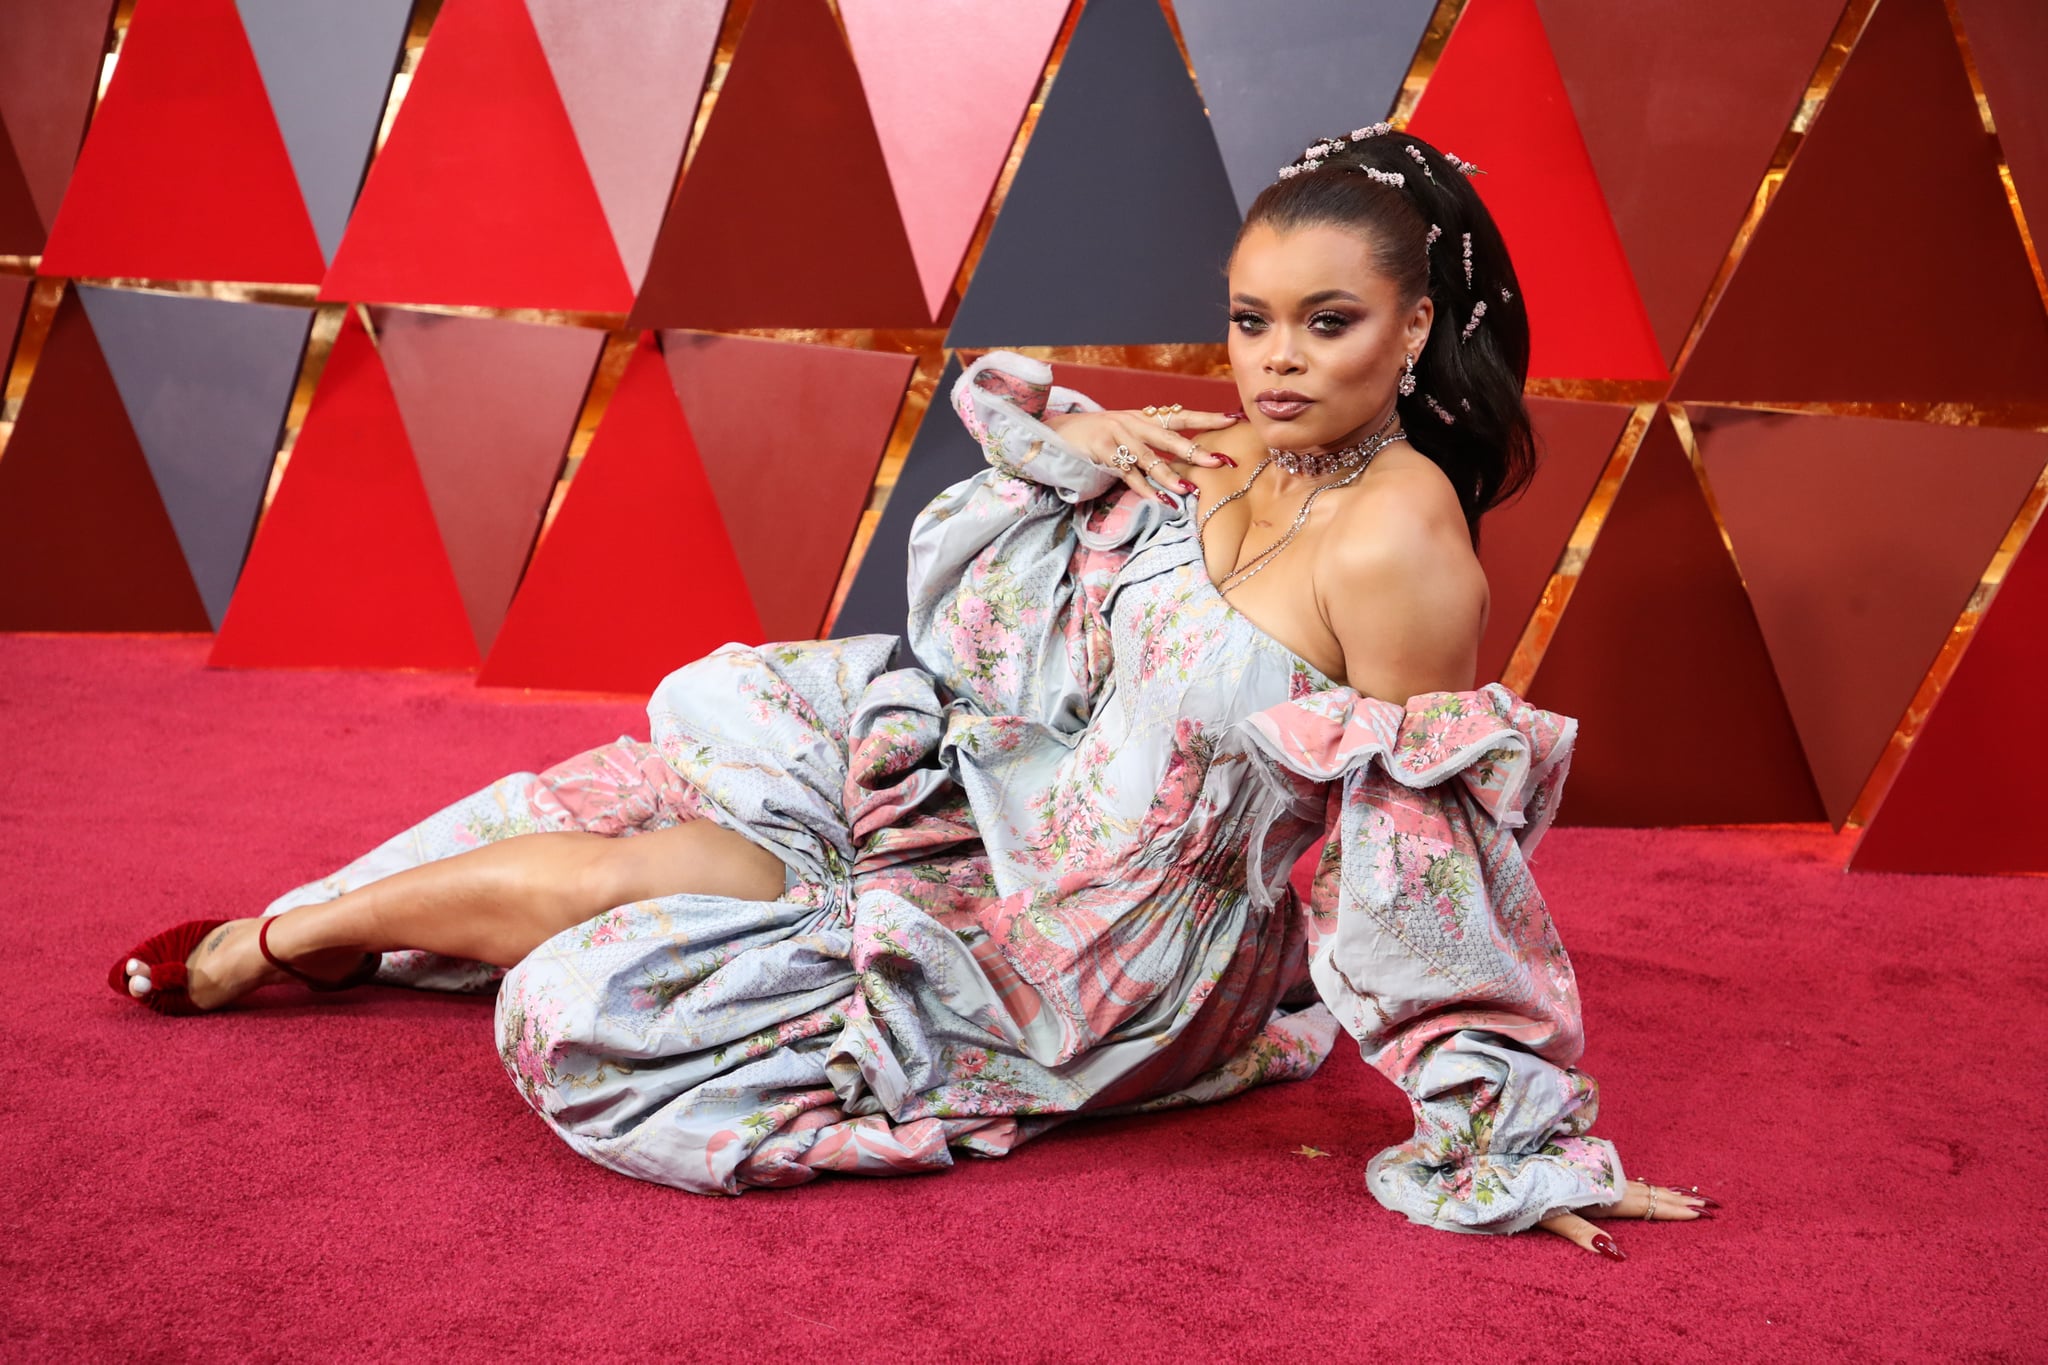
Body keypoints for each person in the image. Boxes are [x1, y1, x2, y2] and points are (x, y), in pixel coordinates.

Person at [109, 126, 1710, 1257]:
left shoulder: (1402, 543)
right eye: (1249, 320)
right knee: (635, 818)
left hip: (1112, 955)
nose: (1273, 361)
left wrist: (1507, 1130)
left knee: (578, 999)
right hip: (994, 810)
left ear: (1419, 325)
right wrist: (1087, 438)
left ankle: (314, 940)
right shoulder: (1242, 448)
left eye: (1328, 323)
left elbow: (1423, 866)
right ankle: (294, 933)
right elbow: (1022, 446)